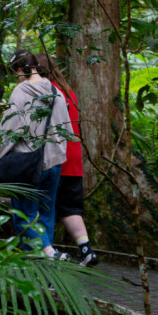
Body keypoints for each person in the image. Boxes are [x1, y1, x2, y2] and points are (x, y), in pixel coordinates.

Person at [0, 49, 72, 258]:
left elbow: (10, 133)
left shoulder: (21, 92)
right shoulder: (57, 92)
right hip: (54, 163)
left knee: (24, 215)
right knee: (46, 215)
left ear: (21, 69)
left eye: (15, 72)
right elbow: (68, 131)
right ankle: (47, 272)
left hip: (27, 163)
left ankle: (43, 257)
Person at [36, 52, 100, 268]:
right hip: (74, 158)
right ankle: (86, 250)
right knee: (70, 208)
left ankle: (48, 254)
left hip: (57, 156)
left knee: (44, 208)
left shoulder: (46, 91)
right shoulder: (68, 91)